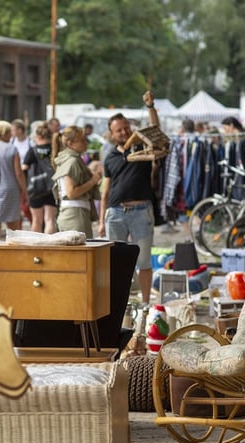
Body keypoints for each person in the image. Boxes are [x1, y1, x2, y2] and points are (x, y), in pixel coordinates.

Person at [98, 90, 159, 305]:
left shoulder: (142, 148)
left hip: (142, 212)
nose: (124, 132)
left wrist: (150, 106)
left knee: (144, 262)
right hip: (115, 214)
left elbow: (154, 129)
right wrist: (101, 220)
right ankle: (118, 305)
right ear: (112, 134)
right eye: (119, 130)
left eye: (126, 128)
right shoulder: (110, 157)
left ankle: (145, 304)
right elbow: (105, 191)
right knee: (116, 263)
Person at [52, 126, 100, 238]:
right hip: (75, 214)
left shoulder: (69, 159)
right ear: (70, 144)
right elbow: (71, 193)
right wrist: (92, 181)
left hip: (72, 213)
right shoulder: (72, 161)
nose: (86, 143)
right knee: (83, 248)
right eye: (82, 140)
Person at [22, 124, 57, 233]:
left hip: (35, 188)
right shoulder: (54, 150)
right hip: (52, 187)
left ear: (39, 136)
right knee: (50, 220)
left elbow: (24, 168)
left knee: (36, 220)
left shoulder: (33, 151)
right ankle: (49, 242)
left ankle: (36, 243)